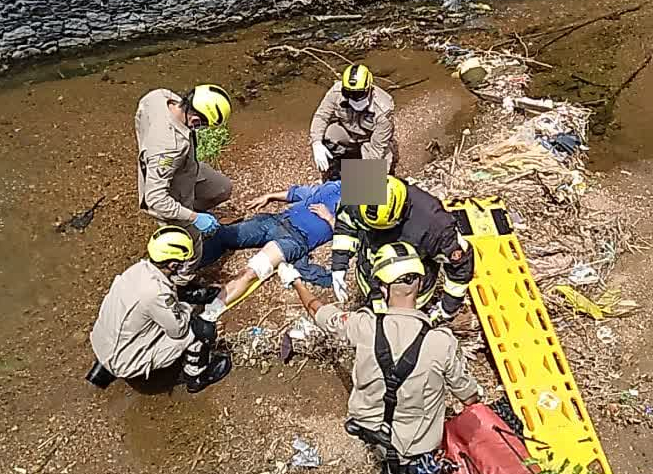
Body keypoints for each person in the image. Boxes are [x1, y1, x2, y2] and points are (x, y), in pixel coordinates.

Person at [277, 243, 481, 474]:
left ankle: (387, 472)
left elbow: (319, 312)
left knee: (389, 459)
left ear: (383, 288)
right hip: (412, 444)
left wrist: (295, 281)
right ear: (422, 284)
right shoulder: (441, 343)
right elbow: (469, 396)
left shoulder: (363, 325)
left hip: (367, 426)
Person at [85, 226, 232, 393]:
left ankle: (104, 369)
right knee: (201, 330)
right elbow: (178, 330)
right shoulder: (157, 293)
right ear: (173, 264)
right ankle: (196, 377)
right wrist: (188, 306)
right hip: (120, 361)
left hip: (102, 342)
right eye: (183, 262)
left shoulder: (136, 271)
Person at [195, 166, 342, 320]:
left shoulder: (355, 209)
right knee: (223, 235)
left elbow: (346, 235)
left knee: (252, 272)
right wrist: (269, 196)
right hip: (277, 220)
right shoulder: (330, 187)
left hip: (295, 239)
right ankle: (185, 269)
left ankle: (207, 315)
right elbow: (294, 193)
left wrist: (330, 218)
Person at [135, 83, 233, 293]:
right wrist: (193, 218)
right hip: (166, 189)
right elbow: (155, 199)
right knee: (192, 246)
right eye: (204, 125)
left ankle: (188, 212)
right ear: (196, 119)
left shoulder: (161, 96)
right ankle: (178, 287)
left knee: (222, 188)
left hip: (186, 169)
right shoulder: (170, 148)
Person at [332, 175, 474, 320]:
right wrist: (339, 264)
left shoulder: (435, 224)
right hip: (369, 279)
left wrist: (448, 308)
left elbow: (461, 265)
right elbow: (345, 222)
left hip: (410, 298)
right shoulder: (361, 185)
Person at [310, 64, 397, 174]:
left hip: (371, 141)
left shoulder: (383, 109)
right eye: (348, 93)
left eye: (358, 94)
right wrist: (316, 143)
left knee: (371, 182)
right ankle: (338, 165)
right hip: (349, 134)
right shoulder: (336, 92)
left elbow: (376, 149)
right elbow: (321, 116)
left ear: (369, 88)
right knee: (328, 136)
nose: (353, 97)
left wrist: (359, 176)